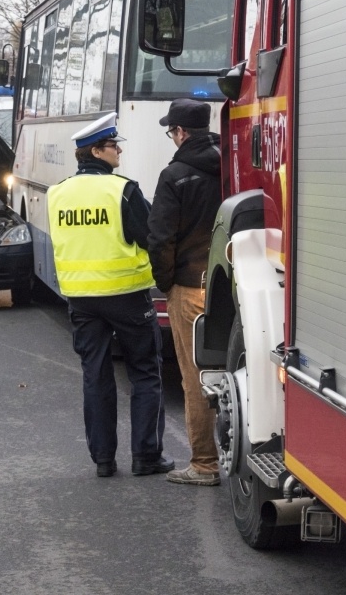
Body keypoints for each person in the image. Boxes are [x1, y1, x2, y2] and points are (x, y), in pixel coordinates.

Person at [47, 112, 174, 478]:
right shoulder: (122, 190)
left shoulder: (57, 194)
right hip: (126, 295)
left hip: (81, 299)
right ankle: (145, 456)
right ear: (96, 151)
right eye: (113, 145)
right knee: (145, 372)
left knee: (96, 375)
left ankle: (103, 459)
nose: (119, 150)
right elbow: (150, 237)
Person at [148, 98, 222, 486]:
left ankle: (205, 464)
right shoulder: (232, 165)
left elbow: (161, 239)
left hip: (190, 287)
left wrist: (167, 283)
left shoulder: (174, 175)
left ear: (180, 132)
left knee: (195, 378)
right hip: (231, 289)